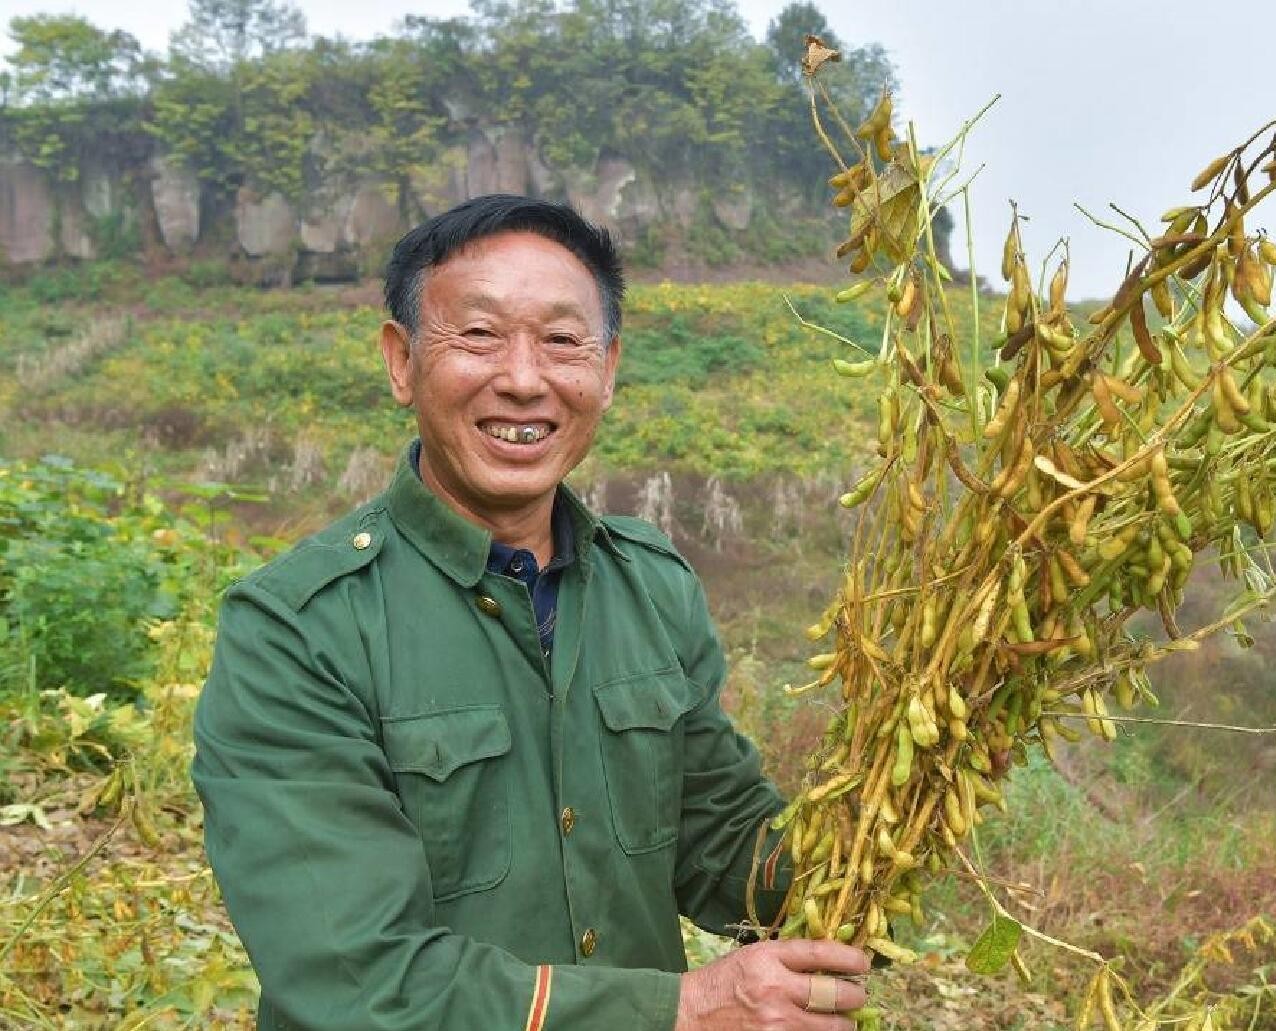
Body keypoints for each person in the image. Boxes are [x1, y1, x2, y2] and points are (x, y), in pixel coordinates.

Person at [192, 194, 870, 1030]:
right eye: (477, 335)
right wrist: (683, 1009)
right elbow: (353, 977)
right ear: (401, 362)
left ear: (609, 367)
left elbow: (721, 846)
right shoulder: (296, 629)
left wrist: (893, 807)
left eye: (560, 340)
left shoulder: (651, 585)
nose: (522, 378)